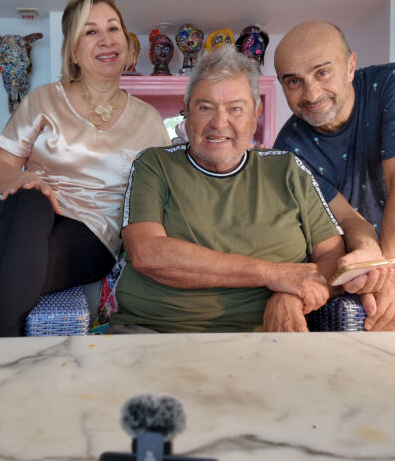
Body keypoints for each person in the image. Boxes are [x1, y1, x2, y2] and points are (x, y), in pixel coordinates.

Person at [109, 45, 347, 333]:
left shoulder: (289, 170)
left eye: (235, 108)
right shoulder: (154, 165)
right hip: (155, 332)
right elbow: (148, 253)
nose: (219, 123)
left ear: (256, 113)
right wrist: (271, 274)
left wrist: (290, 296)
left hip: (267, 337)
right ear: (187, 112)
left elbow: (334, 258)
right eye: (205, 107)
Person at [0, 0, 171, 337]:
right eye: (90, 31)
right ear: (73, 48)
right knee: (31, 199)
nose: (106, 40)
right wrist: (24, 180)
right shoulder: (43, 100)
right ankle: (0, 357)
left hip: (93, 237)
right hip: (24, 216)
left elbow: (167, 191)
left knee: (9, 271)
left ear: (127, 43)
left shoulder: (149, 120)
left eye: (113, 28)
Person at [273, 21, 395, 330]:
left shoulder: (390, 86)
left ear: (350, 65)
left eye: (322, 72)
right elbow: (350, 220)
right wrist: (371, 259)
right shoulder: (289, 150)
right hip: (366, 267)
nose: (311, 94)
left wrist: (388, 270)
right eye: (293, 81)